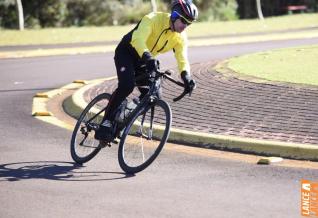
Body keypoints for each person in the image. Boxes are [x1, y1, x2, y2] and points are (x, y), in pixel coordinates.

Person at [95, 0, 198, 142]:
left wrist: (186, 76)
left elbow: (182, 59)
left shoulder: (180, 37)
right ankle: (106, 121)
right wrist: (148, 57)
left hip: (145, 60)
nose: (185, 26)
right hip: (127, 52)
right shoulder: (153, 19)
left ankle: (123, 115)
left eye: (189, 23)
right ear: (174, 15)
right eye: (183, 21)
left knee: (154, 95)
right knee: (127, 85)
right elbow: (138, 39)